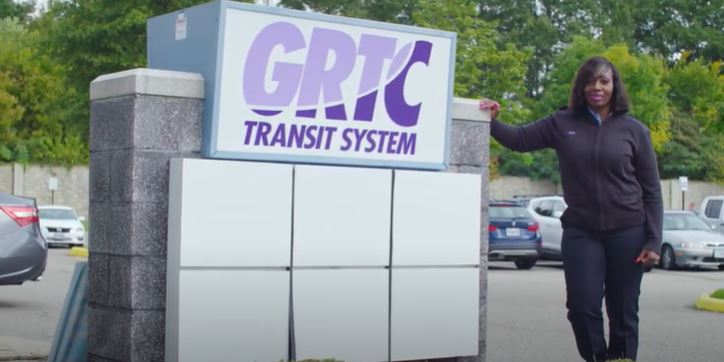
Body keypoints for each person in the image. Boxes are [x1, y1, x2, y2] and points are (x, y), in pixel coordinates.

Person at [480, 56, 663, 362]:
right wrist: (491, 120)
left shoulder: (635, 131)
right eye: (590, 81)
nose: (597, 87)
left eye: (604, 81)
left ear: (614, 86)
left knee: (623, 310)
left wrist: (653, 240)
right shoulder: (562, 123)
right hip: (581, 230)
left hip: (628, 231)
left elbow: (652, 191)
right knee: (581, 306)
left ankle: (622, 358)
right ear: (581, 87)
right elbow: (520, 139)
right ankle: (597, 358)